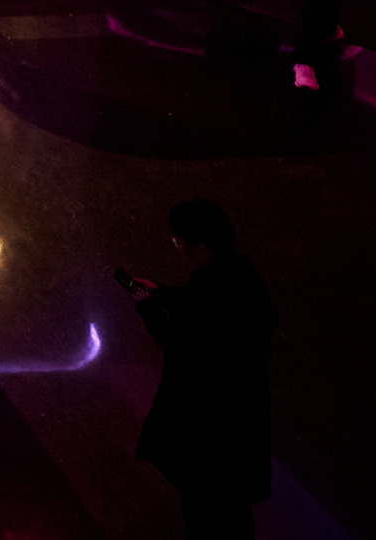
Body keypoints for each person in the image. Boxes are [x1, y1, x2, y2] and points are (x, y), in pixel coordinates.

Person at [128, 196, 272, 540]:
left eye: (179, 243)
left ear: (201, 248)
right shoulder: (239, 275)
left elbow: (179, 343)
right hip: (238, 428)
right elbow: (203, 306)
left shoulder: (210, 287)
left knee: (207, 513)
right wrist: (160, 293)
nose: (178, 250)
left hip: (209, 432)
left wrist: (146, 307)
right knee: (233, 515)